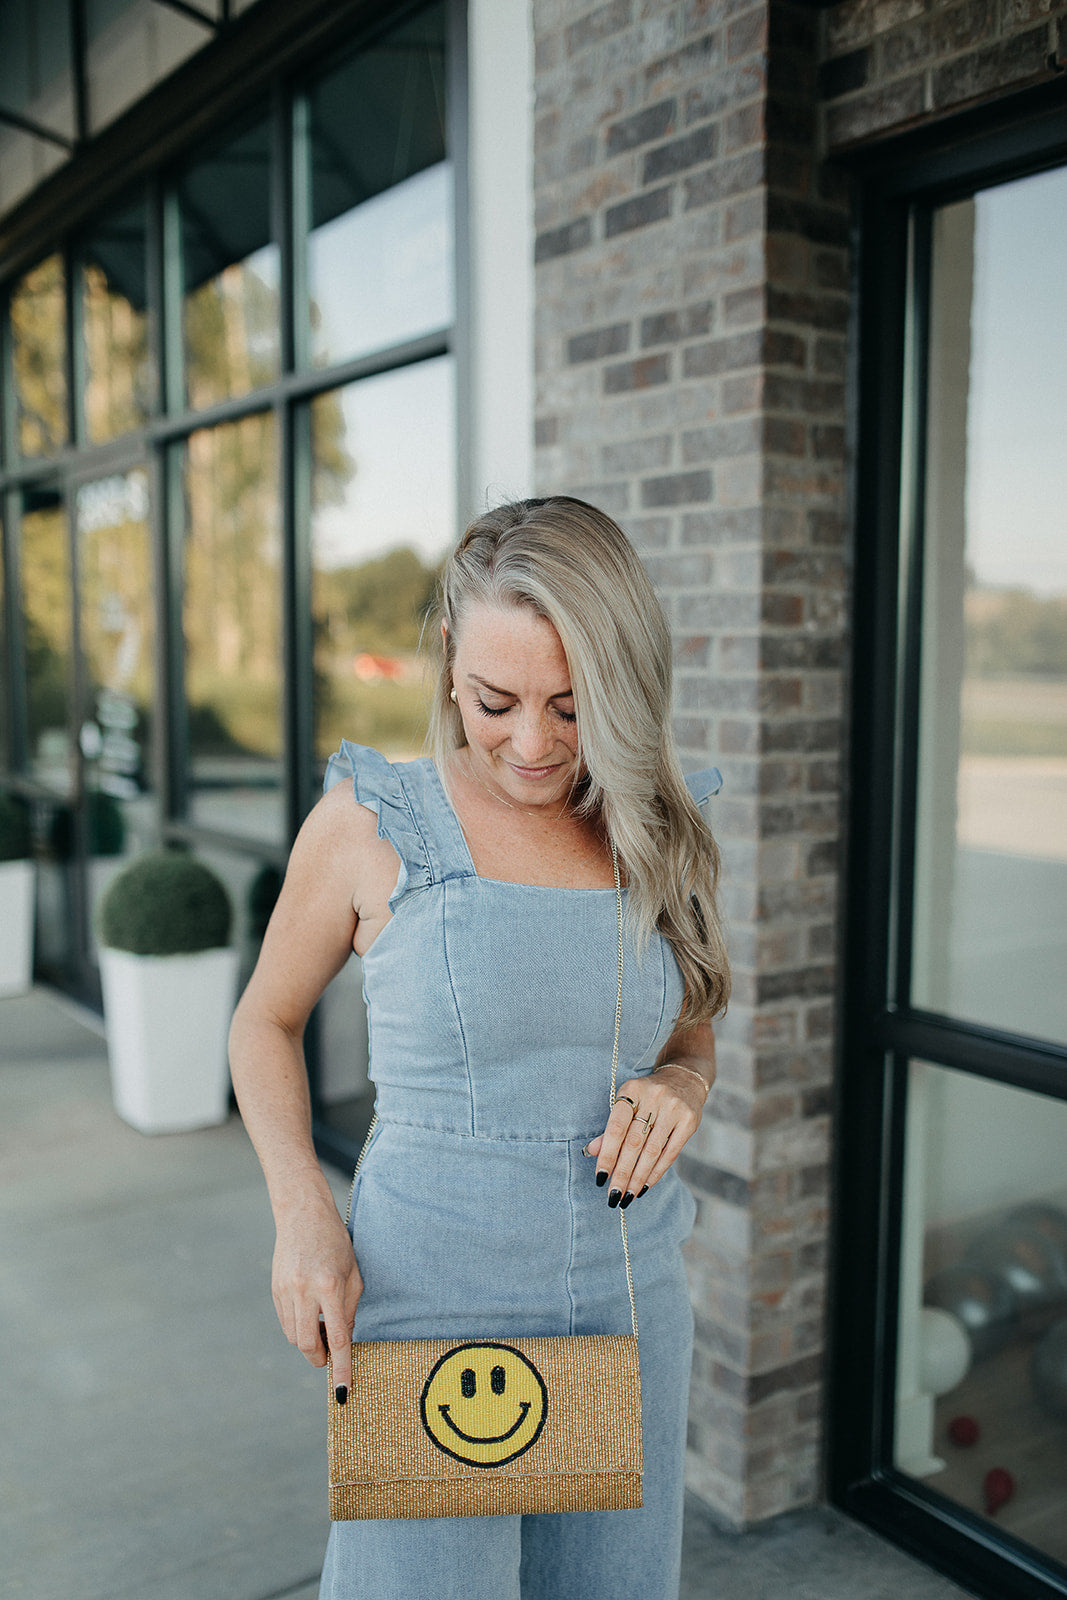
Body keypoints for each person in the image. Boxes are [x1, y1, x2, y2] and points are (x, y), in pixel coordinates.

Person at [228, 495, 730, 1600]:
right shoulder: (374, 820)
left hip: (625, 1287)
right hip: (431, 1290)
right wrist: (303, 1211)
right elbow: (261, 1020)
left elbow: (691, 1013)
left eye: (571, 703)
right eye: (496, 701)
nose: (534, 743)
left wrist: (682, 1076)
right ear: (448, 656)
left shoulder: (657, 822)